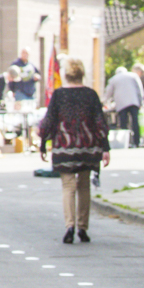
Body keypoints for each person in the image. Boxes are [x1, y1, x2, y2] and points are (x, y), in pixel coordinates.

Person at [37, 56, 110, 244]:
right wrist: (105, 147)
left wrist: (43, 143)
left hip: (65, 147)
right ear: (82, 74)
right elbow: (100, 123)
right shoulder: (91, 95)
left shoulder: (59, 95)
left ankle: (69, 225)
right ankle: (83, 227)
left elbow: (49, 121)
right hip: (88, 147)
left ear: (66, 75)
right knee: (84, 186)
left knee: (68, 187)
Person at [102, 64, 144, 149]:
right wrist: (141, 102)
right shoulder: (133, 76)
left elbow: (108, 93)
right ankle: (137, 142)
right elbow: (140, 89)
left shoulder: (114, 79)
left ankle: (125, 142)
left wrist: (103, 102)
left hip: (121, 104)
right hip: (134, 102)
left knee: (123, 123)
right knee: (135, 122)